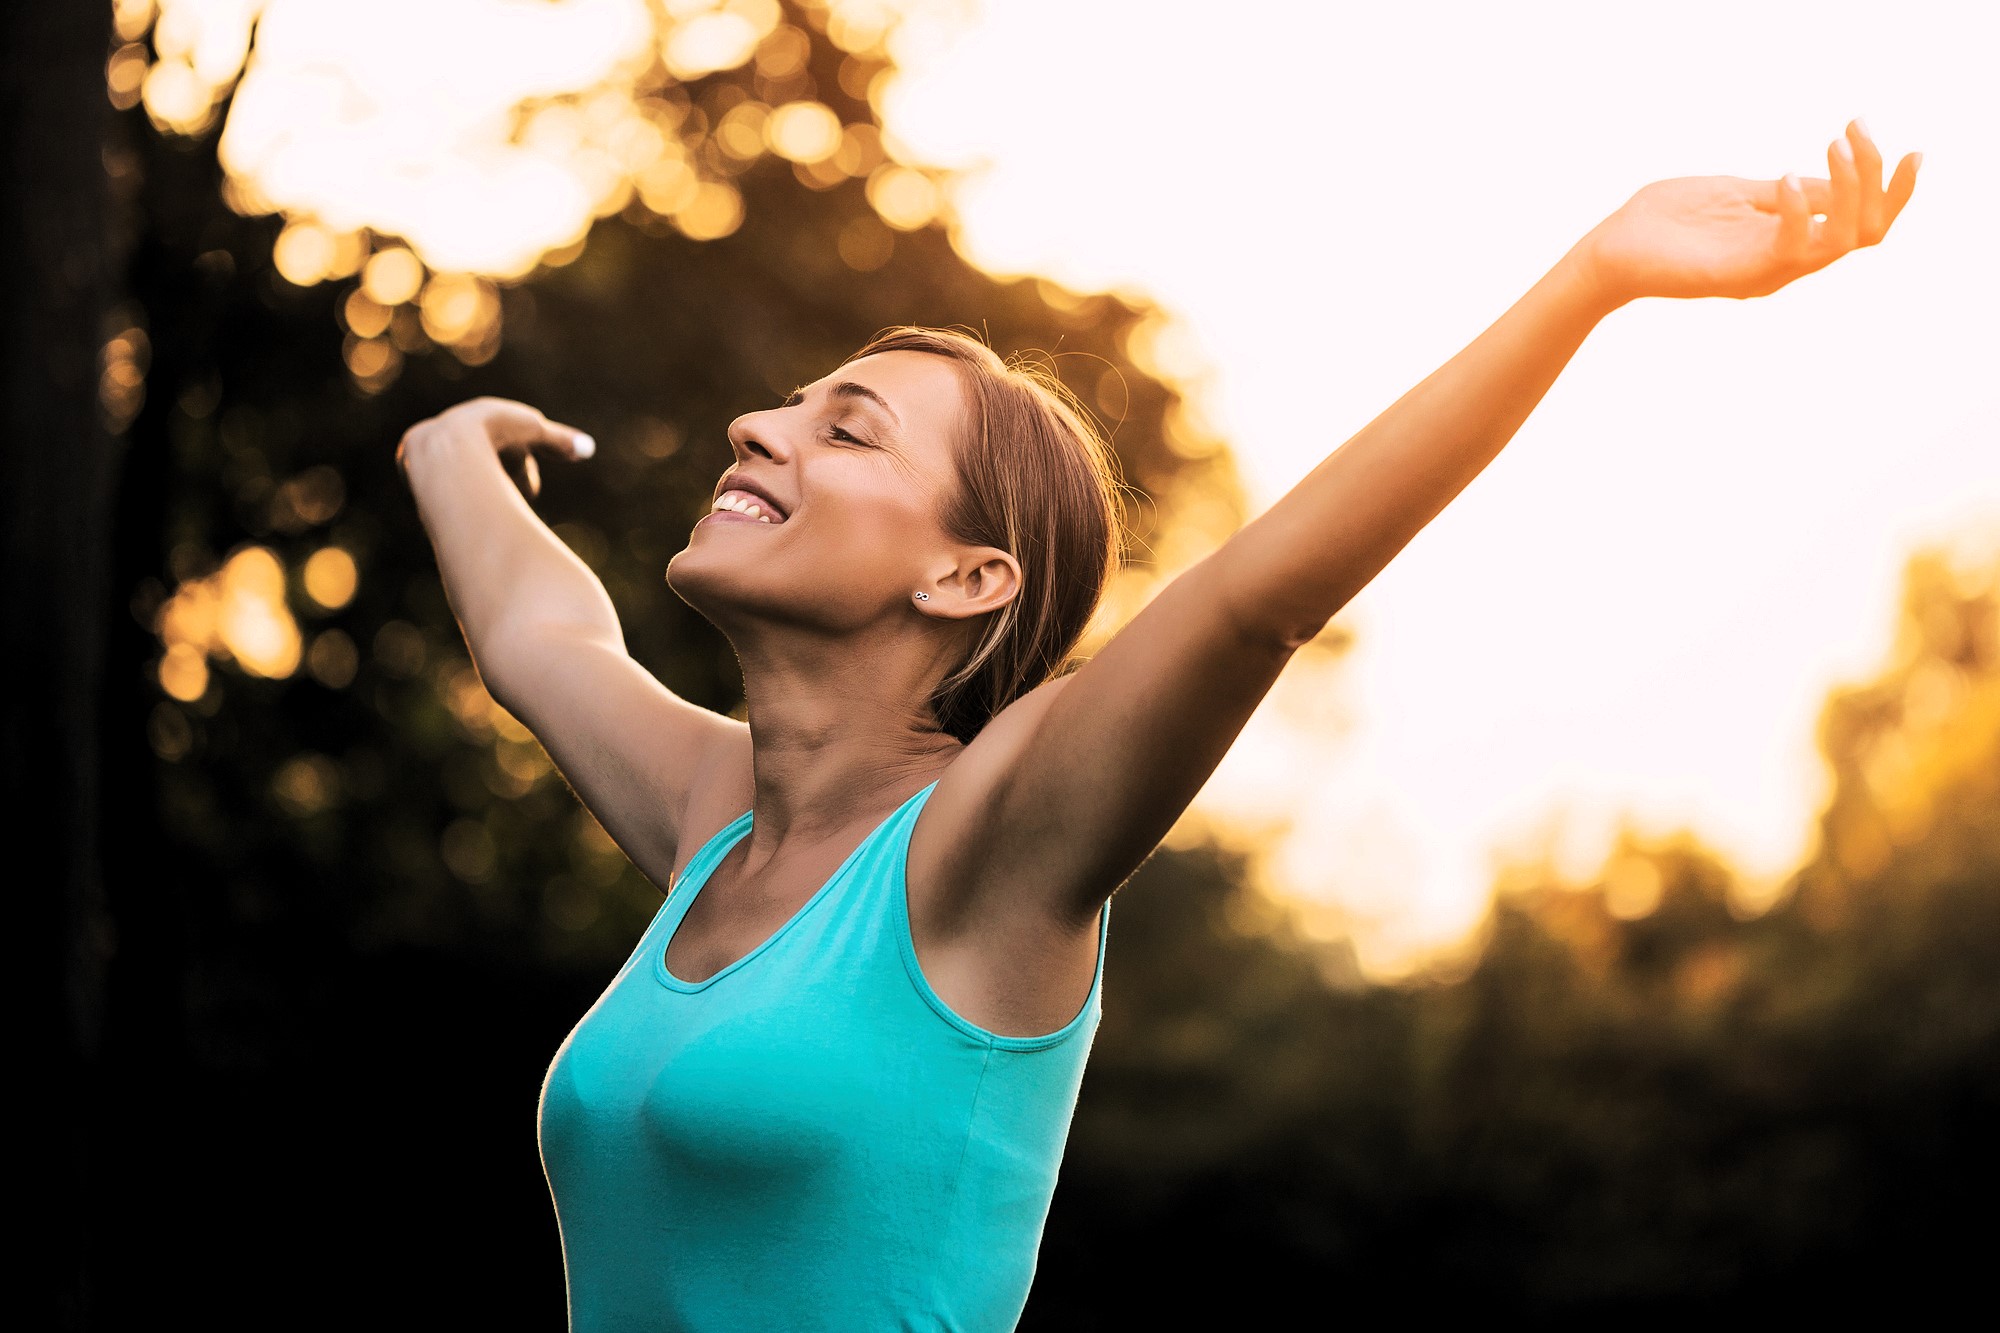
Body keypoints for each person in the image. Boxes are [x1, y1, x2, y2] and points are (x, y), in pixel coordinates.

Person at [396, 120, 1918, 1330]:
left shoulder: (990, 840)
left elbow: (1261, 594)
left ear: (969, 575)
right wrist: (447, 440)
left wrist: (1594, 275)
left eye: (842, 426)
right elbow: (539, 638)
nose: (757, 426)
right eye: (788, 405)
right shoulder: (712, 809)